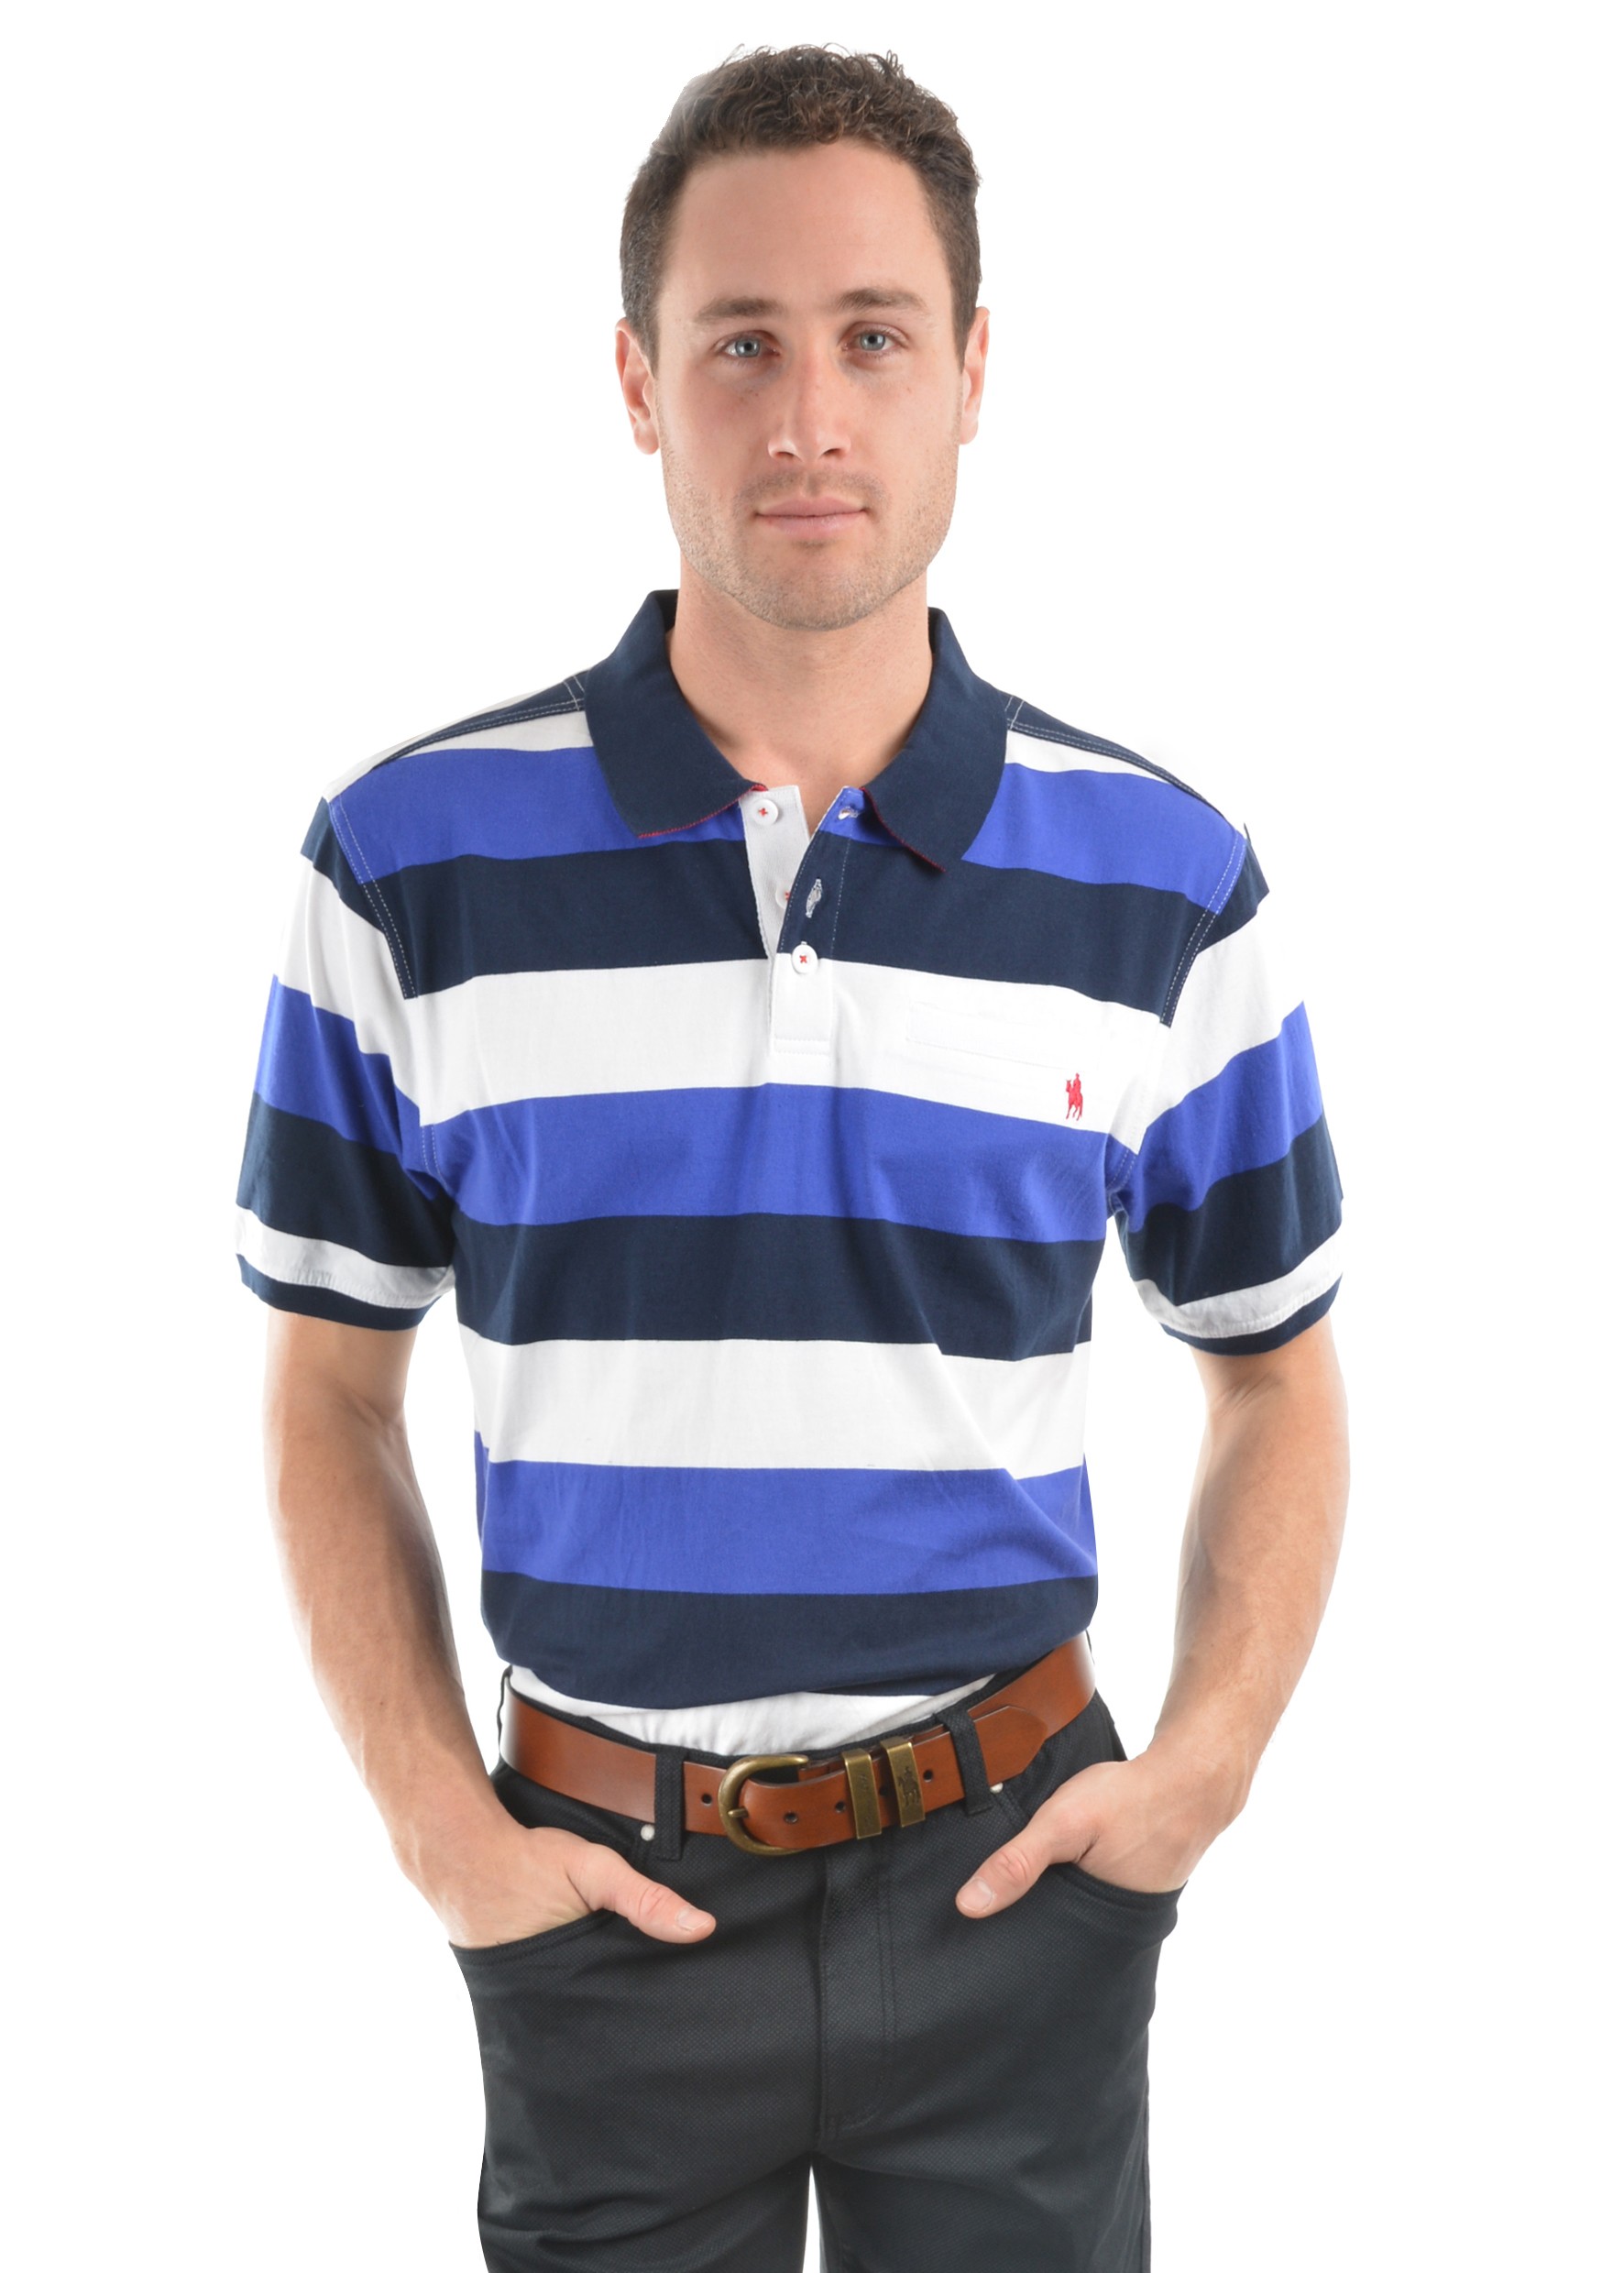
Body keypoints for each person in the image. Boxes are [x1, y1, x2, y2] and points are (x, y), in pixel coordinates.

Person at [236, 42, 1349, 2273]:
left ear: (971, 376)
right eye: (740, 341)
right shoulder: (404, 863)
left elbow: (1273, 1369)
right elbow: (329, 1383)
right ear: (637, 382)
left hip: (1020, 1888)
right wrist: (443, 1830)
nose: (809, 415)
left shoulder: (1166, 881)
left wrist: (1203, 1766)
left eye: (873, 338)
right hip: (600, 1909)